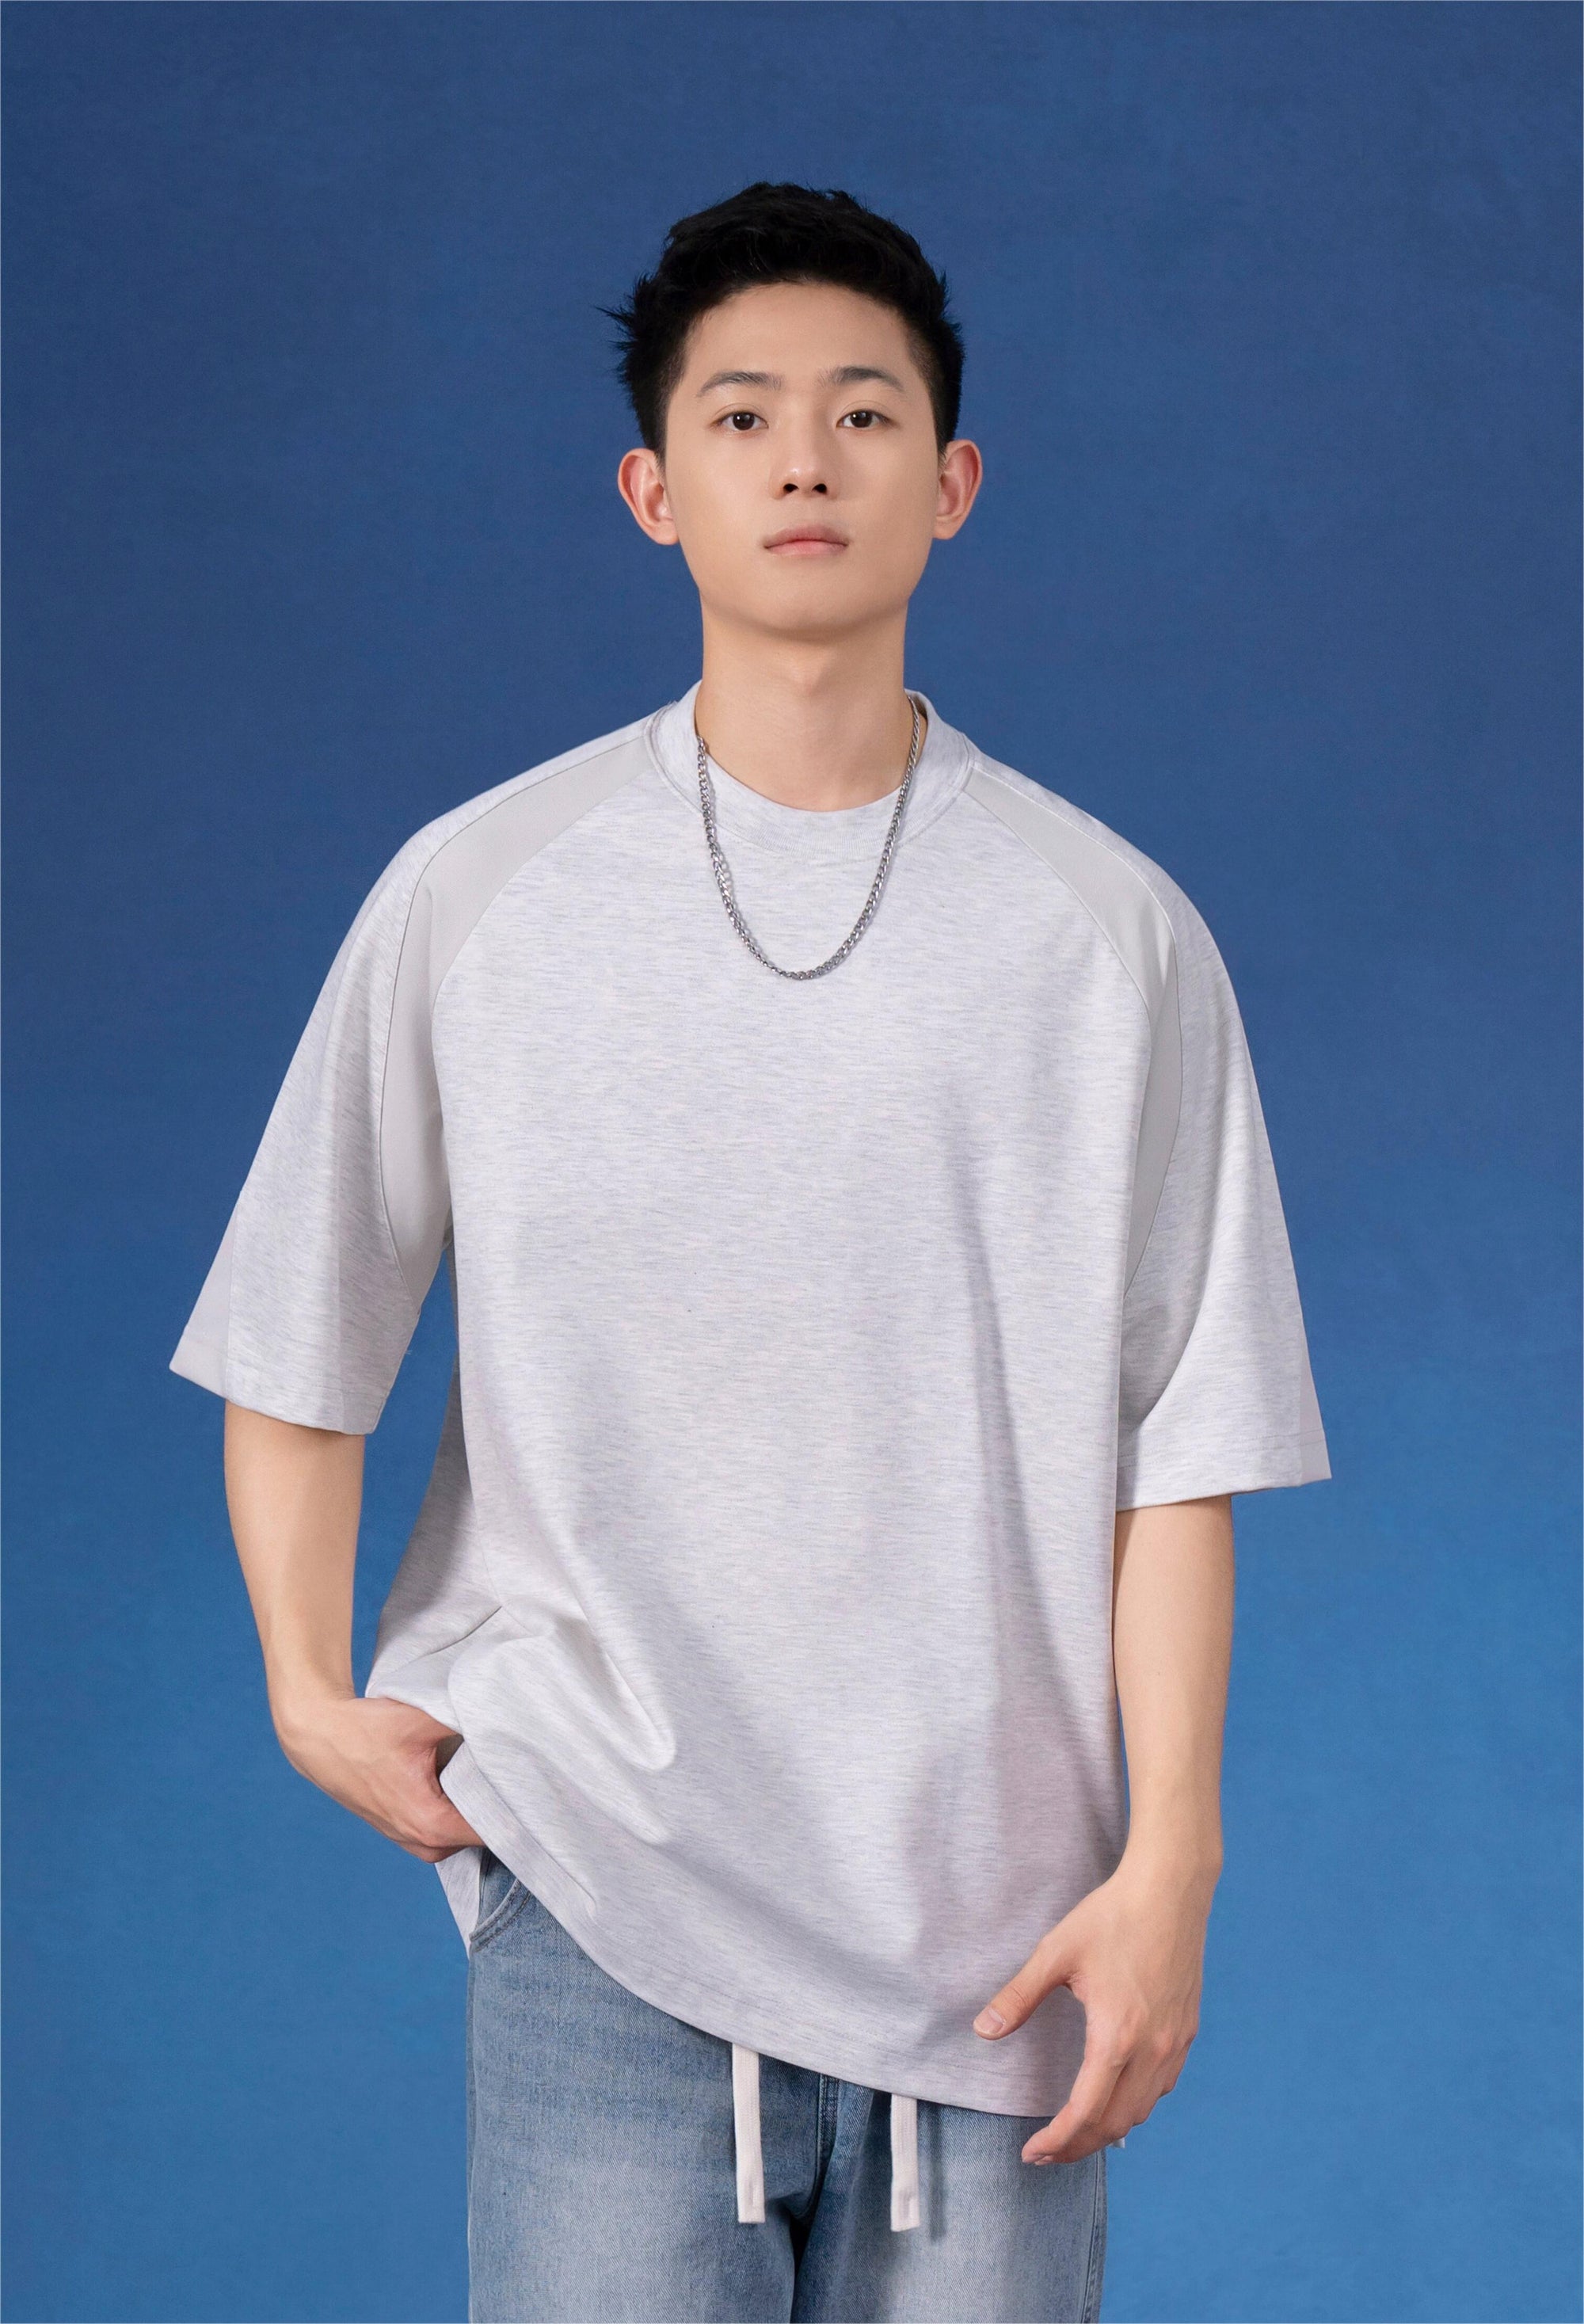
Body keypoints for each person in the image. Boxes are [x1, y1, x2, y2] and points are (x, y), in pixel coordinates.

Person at [170, 181, 1331, 2324]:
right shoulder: (483, 892)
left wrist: (1174, 1859)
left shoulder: (1111, 935)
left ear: (952, 481)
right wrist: (303, 1691)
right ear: (655, 491)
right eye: (742, 416)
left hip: (1004, 1939)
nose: (807, 459)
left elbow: (1181, 1451)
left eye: (865, 414)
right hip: (601, 1892)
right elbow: (299, 1325)